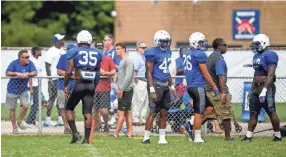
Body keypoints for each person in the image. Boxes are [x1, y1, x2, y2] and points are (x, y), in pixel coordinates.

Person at [64, 30, 102, 144]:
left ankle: (75, 134)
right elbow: (98, 72)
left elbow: (69, 71)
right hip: (90, 84)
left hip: (79, 84)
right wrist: (94, 85)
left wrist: (65, 84)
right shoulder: (97, 52)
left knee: (68, 108)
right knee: (88, 112)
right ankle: (86, 139)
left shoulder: (73, 51)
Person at [242, 34, 282, 142]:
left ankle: (278, 136)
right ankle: (248, 136)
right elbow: (256, 73)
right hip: (256, 87)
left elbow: (271, 74)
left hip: (266, 87)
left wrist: (264, 90)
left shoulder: (270, 54)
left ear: (264, 43)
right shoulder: (256, 56)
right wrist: (252, 89)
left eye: (257, 43)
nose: (255, 46)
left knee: (271, 111)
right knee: (253, 112)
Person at [142, 30, 177, 144]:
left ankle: (162, 138)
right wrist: (151, 89)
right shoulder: (151, 52)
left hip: (165, 84)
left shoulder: (168, 52)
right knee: (153, 111)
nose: (166, 43)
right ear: (157, 41)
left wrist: (172, 87)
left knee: (164, 112)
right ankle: (146, 137)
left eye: (167, 41)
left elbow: (167, 72)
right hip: (156, 84)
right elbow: (148, 73)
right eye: (163, 41)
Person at [183, 32, 219, 143]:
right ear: (195, 43)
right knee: (198, 112)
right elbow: (206, 74)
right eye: (201, 42)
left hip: (192, 86)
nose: (203, 44)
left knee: (210, 109)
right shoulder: (199, 54)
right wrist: (214, 86)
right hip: (197, 86)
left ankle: (189, 124)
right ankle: (197, 137)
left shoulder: (187, 52)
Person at [202, 38, 234, 141]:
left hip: (210, 90)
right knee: (225, 114)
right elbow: (221, 77)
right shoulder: (218, 58)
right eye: (225, 45)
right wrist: (223, 93)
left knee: (213, 113)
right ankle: (228, 138)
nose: (226, 47)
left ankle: (192, 128)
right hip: (217, 90)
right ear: (219, 46)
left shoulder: (211, 56)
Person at [5, 50, 37, 134]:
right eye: (26, 57)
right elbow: (7, 73)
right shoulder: (14, 63)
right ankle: (14, 127)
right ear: (21, 58)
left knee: (26, 106)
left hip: (23, 89)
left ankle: (19, 121)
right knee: (12, 109)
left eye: (28, 56)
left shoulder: (30, 63)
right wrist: (17, 74)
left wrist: (27, 74)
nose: (28, 58)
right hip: (12, 90)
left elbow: (34, 72)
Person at [113, 42, 135, 137]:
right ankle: (130, 133)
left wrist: (121, 88)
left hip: (126, 90)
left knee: (121, 113)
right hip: (124, 89)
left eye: (118, 49)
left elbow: (129, 75)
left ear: (123, 49)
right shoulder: (122, 61)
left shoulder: (128, 60)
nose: (116, 51)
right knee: (127, 112)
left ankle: (115, 133)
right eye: (116, 49)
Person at [44, 34, 66, 127]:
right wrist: (50, 78)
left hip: (61, 78)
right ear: (57, 41)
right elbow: (47, 65)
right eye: (61, 39)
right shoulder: (51, 51)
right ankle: (47, 119)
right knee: (52, 98)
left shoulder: (63, 51)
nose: (63, 41)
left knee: (61, 99)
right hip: (54, 78)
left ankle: (60, 119)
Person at [93, 50, 116, 133]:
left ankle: (106, 125)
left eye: (100, 48)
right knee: (95, 110)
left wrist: (105, 73)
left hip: (105, 88)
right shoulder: (92, 59)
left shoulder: (108, 59)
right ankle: (96, 127)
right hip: (93, 88)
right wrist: (97, 73)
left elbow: (114, 71)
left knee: (104, 111)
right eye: (97, 48)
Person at [56, 44, 77, 134]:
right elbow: (58, 71)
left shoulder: (77, 58)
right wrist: (69, 74)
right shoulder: (63, 57)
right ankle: (66, 127)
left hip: (74, 85)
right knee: (63, 107)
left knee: (72, 107)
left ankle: (72, 127)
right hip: (62, 85)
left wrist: (70, 74)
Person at [26, 46, 46, 127]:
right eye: (39, 50)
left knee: (39, 102)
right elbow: (30, 75)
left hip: (37, 85)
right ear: (36, 51)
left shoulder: (38, 61)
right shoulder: (32, 61)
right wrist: (31, 88)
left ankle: (32, 120)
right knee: (36, 103)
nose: (41, 52)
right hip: (33, 84)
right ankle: (29, 121)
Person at [130, 41, 148, 126]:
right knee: (138, 100)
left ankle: (142, 118)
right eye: (142, 48)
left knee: (145, 101)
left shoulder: (143, 57)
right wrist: (136, 81)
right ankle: (136, 119)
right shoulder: (137, 57)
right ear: (138, 48)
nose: (145, 49)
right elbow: (134, 70)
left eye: (145, 47)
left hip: (145, 81)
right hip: (140, 80)